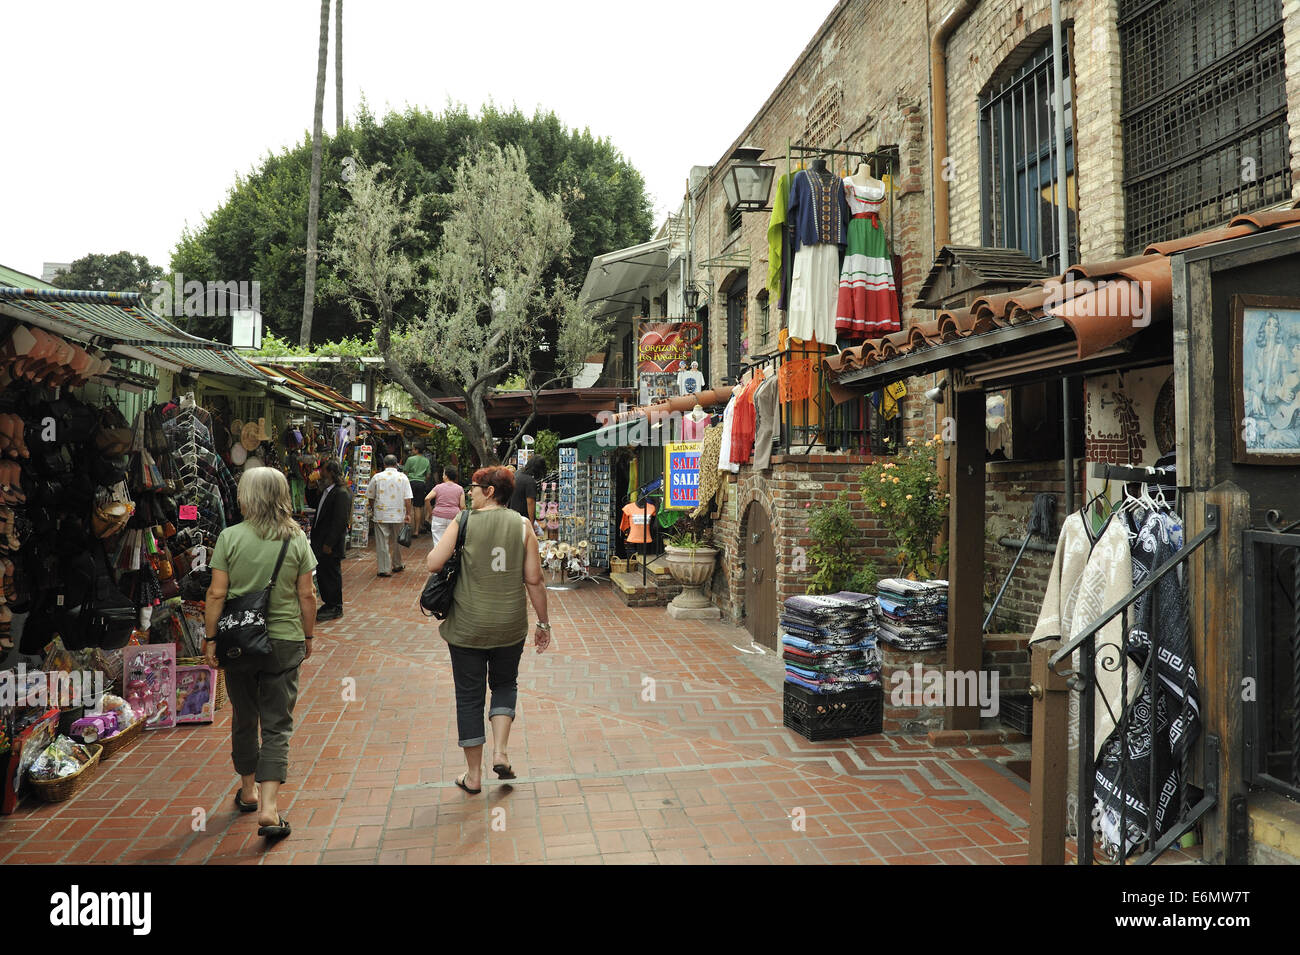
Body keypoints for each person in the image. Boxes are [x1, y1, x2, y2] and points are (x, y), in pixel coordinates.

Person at [204, 467, 316, 841]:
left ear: (248, 497)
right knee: (277, 723)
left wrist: (209, 638)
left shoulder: (229, 537)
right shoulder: (297, 538)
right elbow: (307, 596)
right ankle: (269, 808)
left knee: (244, 715)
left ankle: (248, 790)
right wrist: (308, 635)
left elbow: (217, 594)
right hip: (284, 640)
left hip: (238, 642)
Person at [427, 466, 551, 794]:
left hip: (467, 626)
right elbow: (534, 579)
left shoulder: (463, 521)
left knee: (469, 697)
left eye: (475, 487)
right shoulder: (523, 526)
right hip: (510, 625)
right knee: (505, 684)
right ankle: (501, 752)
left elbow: (433, 563)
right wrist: (543, 622)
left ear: (490, 491)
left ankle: (473, 776)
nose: (470, 492)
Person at [310, 459, 351, 622]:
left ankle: (335, 606)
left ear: (331, 473)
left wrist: (329, 543)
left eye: (324, 471)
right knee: (323, 574)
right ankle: (328, 603)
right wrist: (311, 486)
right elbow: (314, 504)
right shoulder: (326, 490)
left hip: (329, 544)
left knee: (331, 574)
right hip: (320, 541)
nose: (321, 474)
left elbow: (339, 521)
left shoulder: (341, 493)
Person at [366, 454, 412, 577]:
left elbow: (370, 496)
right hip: (398, 513)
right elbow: (408, 498)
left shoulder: (377, 477)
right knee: (398, 540)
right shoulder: (403, 477)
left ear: (384, 464)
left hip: (381, 513)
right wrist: (408, 513)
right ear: (397, 464)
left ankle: (384, 569)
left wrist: (373, 508)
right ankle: (397, 564)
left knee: (382, 542)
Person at [424, 464, 466, 546]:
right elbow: (463, 506)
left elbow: (427, 499)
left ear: (446, 476)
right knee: (452, 541)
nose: (442, 475)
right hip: (454, 517)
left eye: (443, 474)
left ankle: (439, 557)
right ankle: (450, 557)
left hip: (438, 516)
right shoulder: (459, 488)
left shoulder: (438, 487)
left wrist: (430, 512)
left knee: (438, 542)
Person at [403, 444, 433, 536]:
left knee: (407, 505)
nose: (412, 450)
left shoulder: (410, 459)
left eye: (413, 449)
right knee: (418, 507)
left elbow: (405, 472)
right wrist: (422, 479)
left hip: (410, 483)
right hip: (421, 484)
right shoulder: (426, 460)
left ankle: (405, 529)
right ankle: (416, 530)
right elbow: (428, 475)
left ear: (416, 450)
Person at [509, 457, 544, 524]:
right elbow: (530, 503)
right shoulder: (529, 481)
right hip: (522, 520)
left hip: (512, 516)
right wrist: (531, 523)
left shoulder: (518, 473)